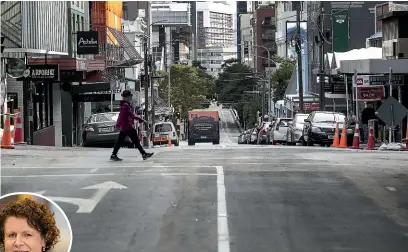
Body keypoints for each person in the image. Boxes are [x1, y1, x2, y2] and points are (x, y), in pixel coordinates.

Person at [111, 90, 153, 161]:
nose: (131, 97)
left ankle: (114, 154)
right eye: (130, 96)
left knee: (120, 141)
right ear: (126, 97)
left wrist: (118, 126)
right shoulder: (126, 106)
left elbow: (122, 116)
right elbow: (126, 116)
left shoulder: (125, 105)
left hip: (125, 126)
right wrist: (141, 119)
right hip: (128, 126)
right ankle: (144, 154)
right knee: (136, 141)